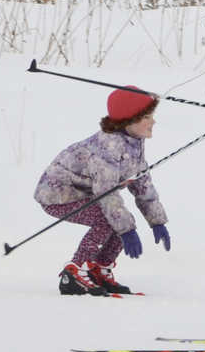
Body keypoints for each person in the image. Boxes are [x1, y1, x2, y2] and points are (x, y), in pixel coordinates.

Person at [34, 85, 171, 296]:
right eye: (146, 116)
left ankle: (98, 269)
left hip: (84, 193)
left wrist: (157, 221)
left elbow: (142, 183)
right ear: (129, 119)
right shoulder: (107, 149)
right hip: (57, 195)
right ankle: (75, 271)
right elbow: (106, 194)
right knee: (110, 220)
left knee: (119, 221)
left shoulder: (133, 143)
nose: (153, 121)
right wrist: (126, 230)